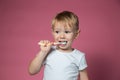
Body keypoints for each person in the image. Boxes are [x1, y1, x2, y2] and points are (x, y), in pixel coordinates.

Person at [28, 11, 89, 80]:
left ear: (76, 34)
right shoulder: (48, 51)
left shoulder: (79, 56)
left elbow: (84, 77)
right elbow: (31, 71)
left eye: (67, 32)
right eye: (57, 32)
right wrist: (43, 52)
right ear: (52, 32)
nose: (62, 36)